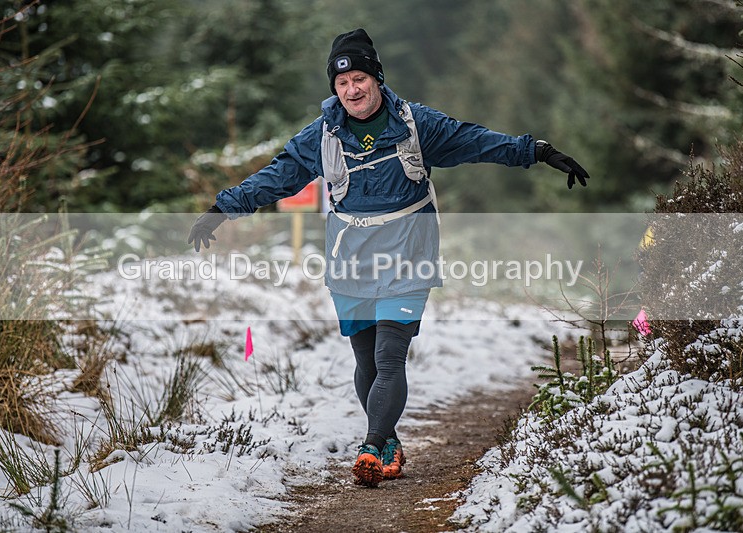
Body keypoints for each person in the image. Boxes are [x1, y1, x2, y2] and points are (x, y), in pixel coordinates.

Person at [188, 28, 590, 487]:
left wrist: (535, 151)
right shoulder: (322, 136)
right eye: (341, 83)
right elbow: (278, 176)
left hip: (408, 251)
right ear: (334, 89)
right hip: (351, 256)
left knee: (390, 354)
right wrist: (223, 208)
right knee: (367, 362)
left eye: (359, 78)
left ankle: (371, 444)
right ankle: (389, 441)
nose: (351, 90)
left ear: (376, 77)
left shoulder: (416, 124)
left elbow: (474, 140)